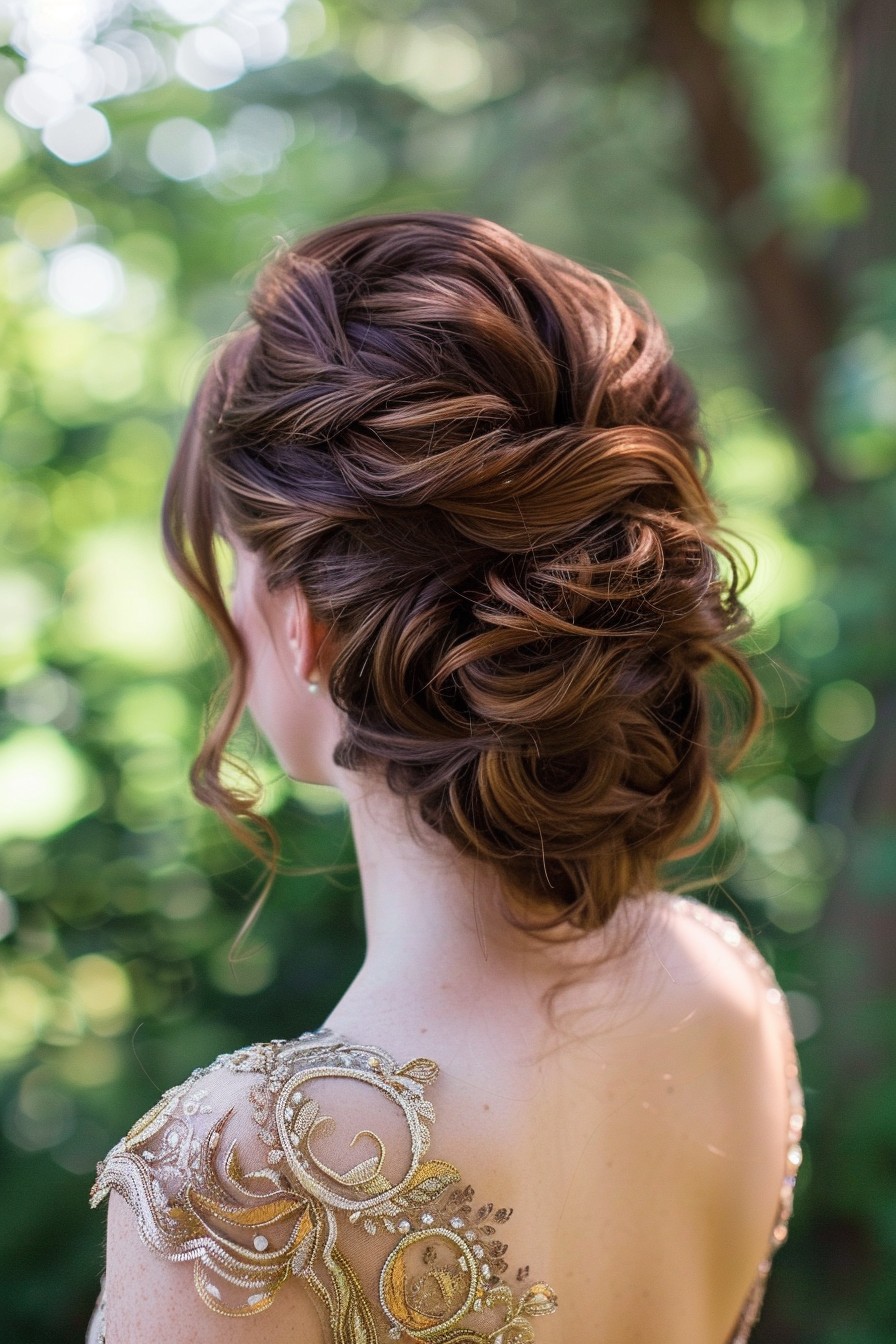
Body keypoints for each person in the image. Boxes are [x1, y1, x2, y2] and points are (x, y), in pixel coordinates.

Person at [87, 211, 803, 1344]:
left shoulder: (241, 1177)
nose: (227, 602)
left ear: (303, 626)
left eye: (236, 561)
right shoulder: (720, 987)